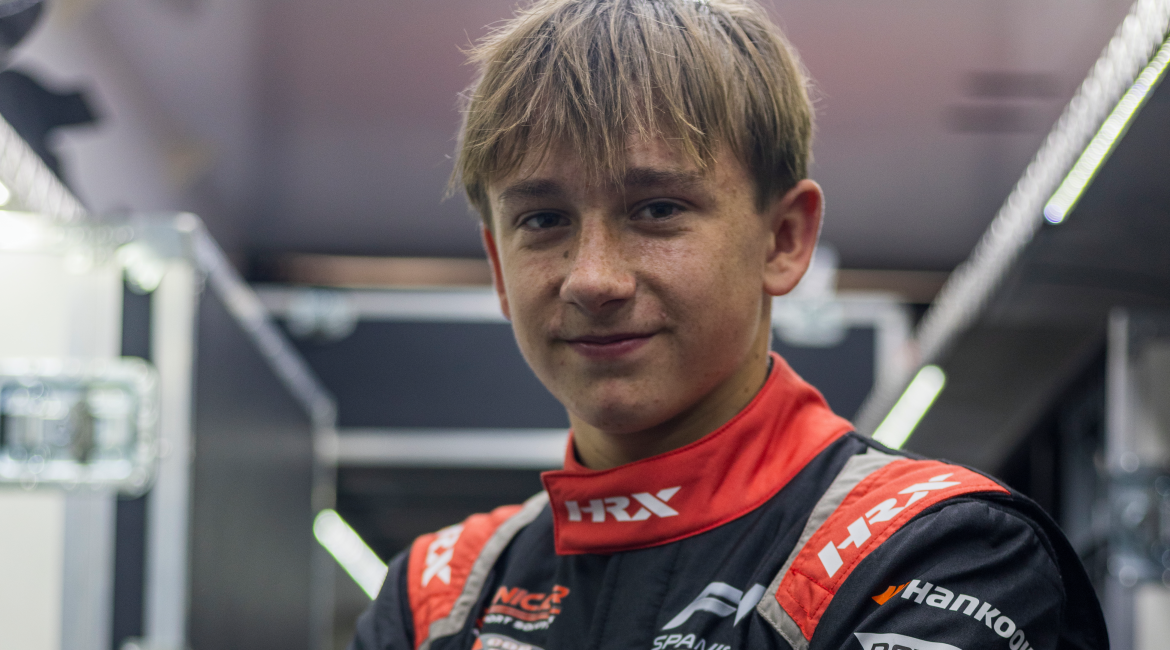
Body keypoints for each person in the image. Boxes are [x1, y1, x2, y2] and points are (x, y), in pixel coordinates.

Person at [351, 1, 1108, 649]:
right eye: (543, 220)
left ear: (784, 238)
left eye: (657, 209)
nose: (592, 279)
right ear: (497, 266)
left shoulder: (937, 551)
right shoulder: (435, 598)